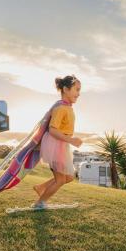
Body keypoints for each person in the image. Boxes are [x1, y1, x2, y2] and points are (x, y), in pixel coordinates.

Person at [33, 75, 82, 208]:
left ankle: (41, 187)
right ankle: (40, 203)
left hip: (62, 144)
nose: (79, 94)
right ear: (66, 89)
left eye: (79, 90)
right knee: (60, 180)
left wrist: (69, 140)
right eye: (76, 90)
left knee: (69, 177)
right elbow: (53, 130)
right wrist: (71, 140)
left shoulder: (67, 107)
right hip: (56, 144)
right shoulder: (61, 108)